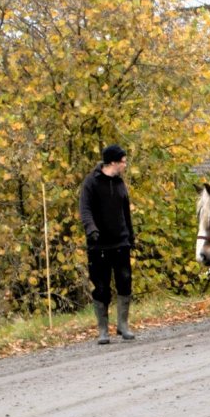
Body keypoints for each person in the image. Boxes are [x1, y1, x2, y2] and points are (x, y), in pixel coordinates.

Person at [79, 144, 136, 344]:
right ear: (112, 162)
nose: (125, 164)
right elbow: (84, 209)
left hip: (121, 242)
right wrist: (91, 229)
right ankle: (103, 330)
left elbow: (125, 212)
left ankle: (123, 325)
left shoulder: (120, 183)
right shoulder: (91, 183)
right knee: (101, 287)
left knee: (125, 282)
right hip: (98, 246)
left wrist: (131, 236)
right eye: (123, 161)